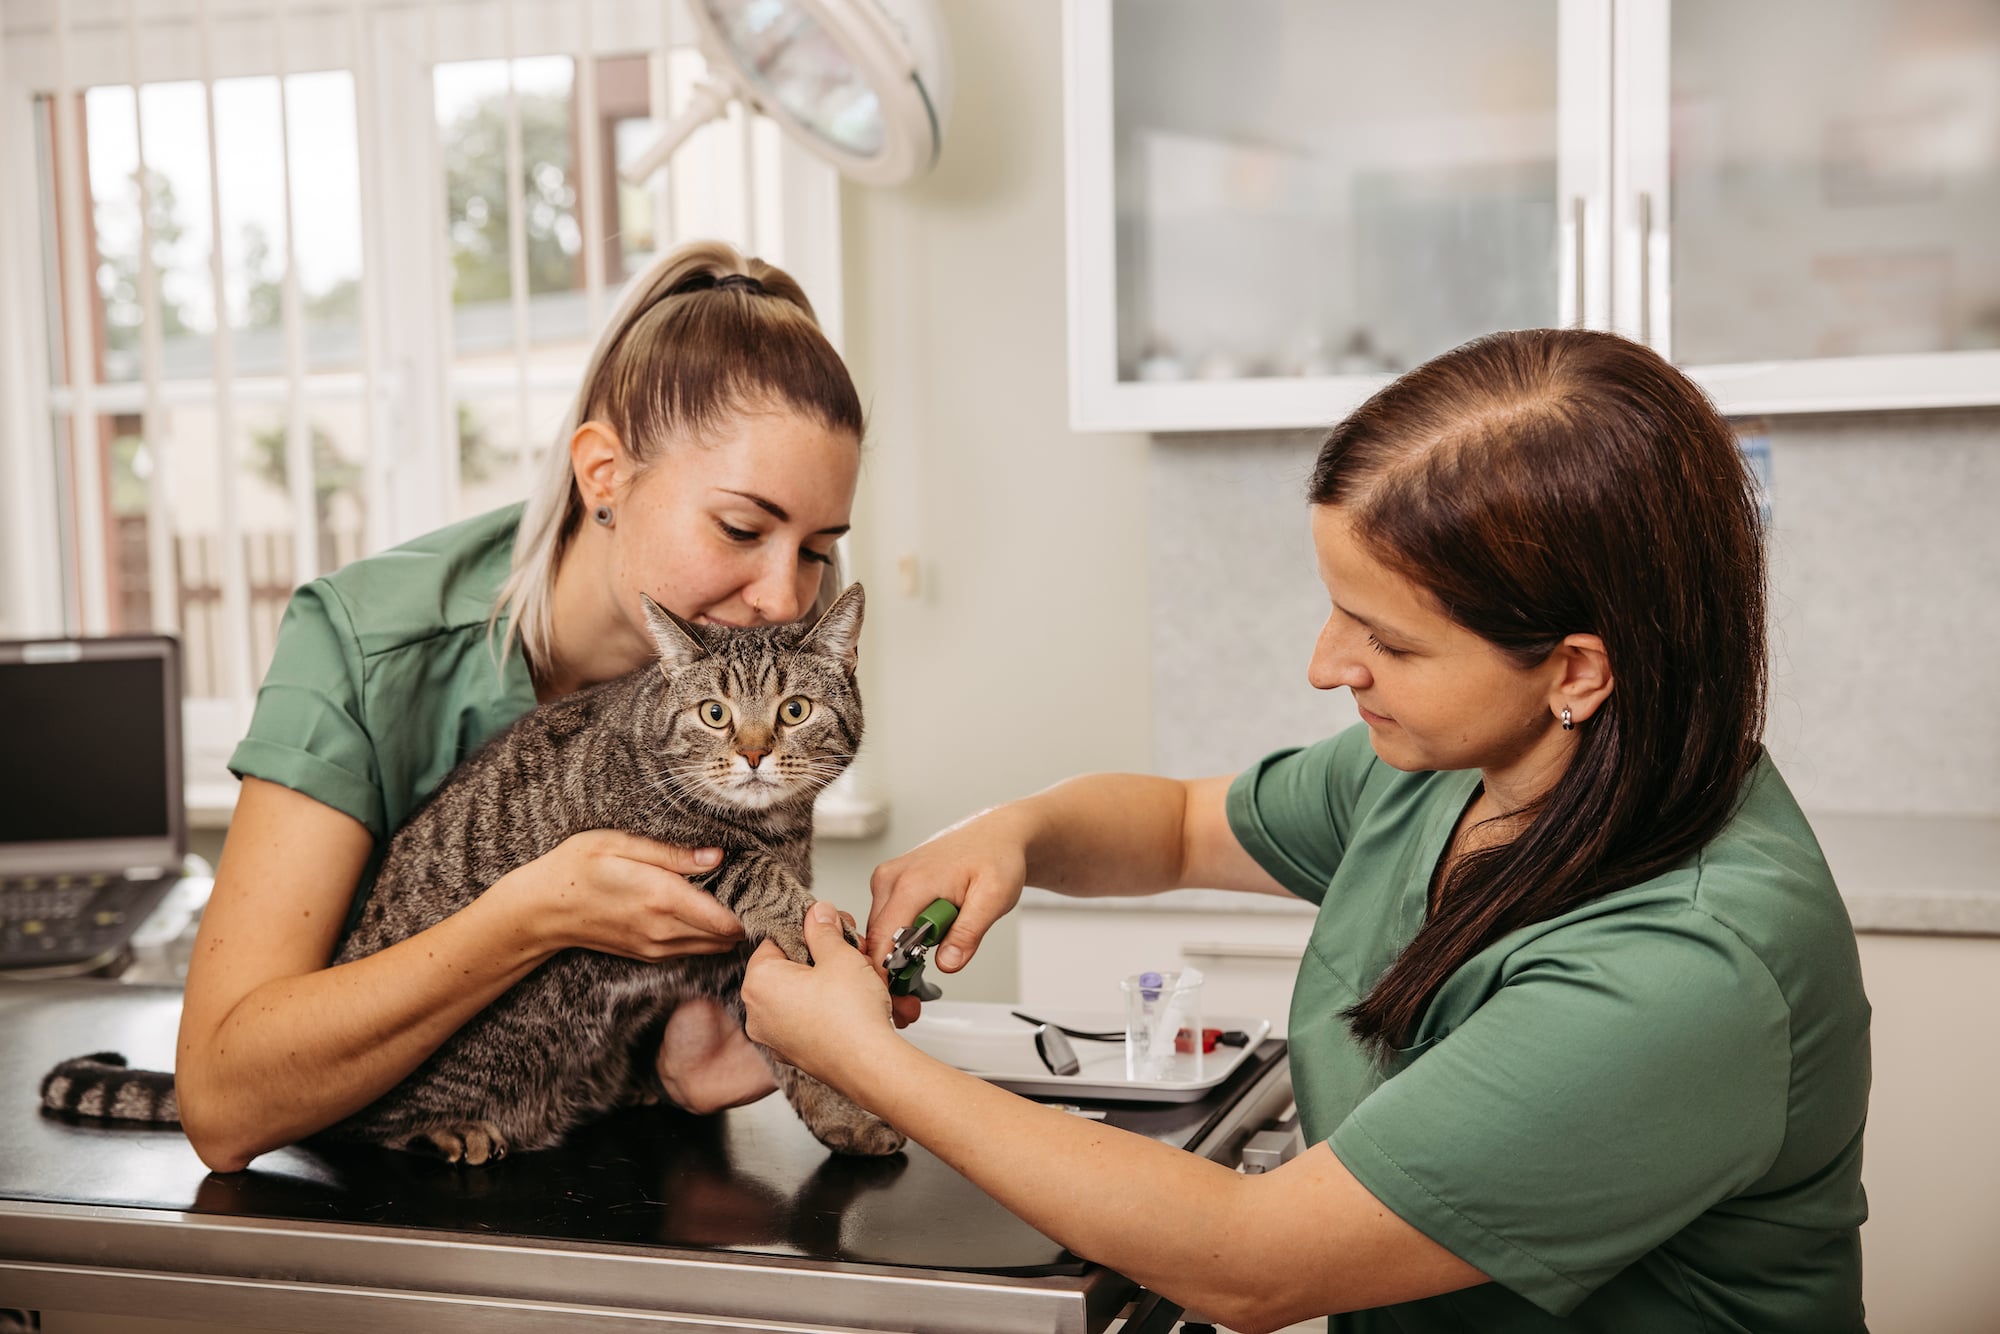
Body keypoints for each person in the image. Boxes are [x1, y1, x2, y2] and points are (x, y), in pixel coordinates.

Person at [742, 328, 1871, 1332]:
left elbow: (1252, 1259)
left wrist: (864, 1057)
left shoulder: (1683, 966)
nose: (1326, 664)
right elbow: (1180, 825)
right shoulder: (1469, 769)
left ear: (1573, 668)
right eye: (1335, 605)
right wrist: (1013, 831)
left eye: (1386, 637)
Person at [176, 240, 865, 1173]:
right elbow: (221, 1106)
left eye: (818, 549)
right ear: (603, 475)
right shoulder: (363, 643)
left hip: (620, 1168)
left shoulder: (771, 663)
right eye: (741, 528)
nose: (787, 598)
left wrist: (710, 1037)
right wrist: (535, 913)